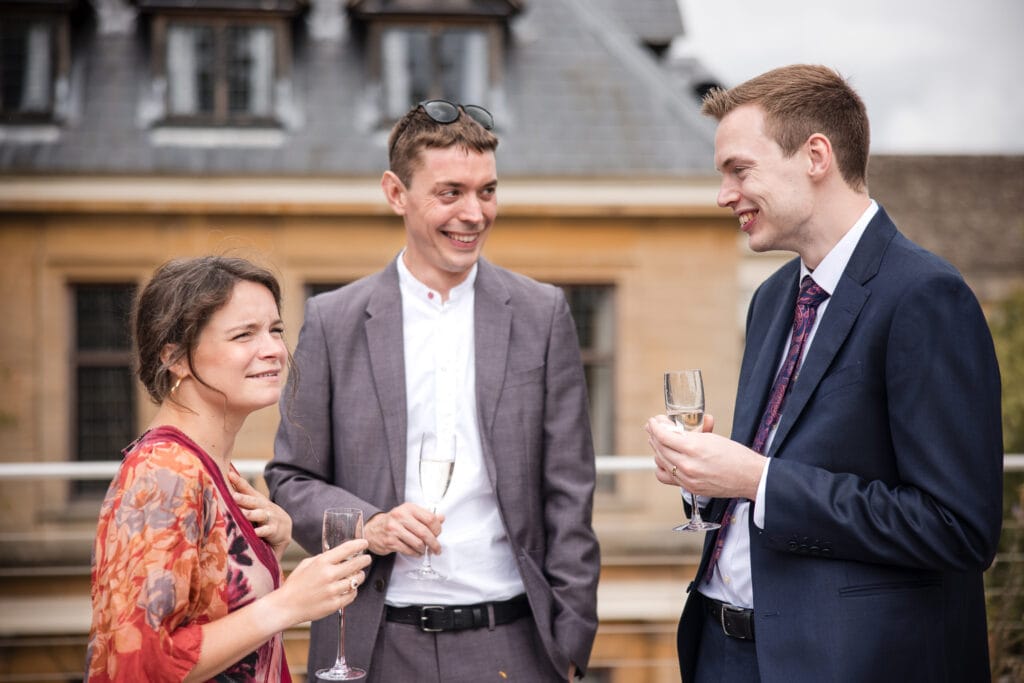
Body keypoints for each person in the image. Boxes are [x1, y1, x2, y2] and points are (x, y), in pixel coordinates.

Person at [646, 64, 1003, 682]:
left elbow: (958, 528)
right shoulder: (773, 298)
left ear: (816, 156)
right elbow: (783, 468)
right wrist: (711, 481)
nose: (724, 194)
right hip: (718, 650)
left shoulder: (925, 296)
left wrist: (760, 480)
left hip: (843, 663)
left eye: (739, 169)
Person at [265, 99, 600, 681]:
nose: (474, 213)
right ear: (396, 193)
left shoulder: (542, 313)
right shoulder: (331, 319)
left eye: (487, 191)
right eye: (450, 193)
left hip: (516, 643)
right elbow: (289, 479)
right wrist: (369, 525)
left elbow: (569, 488)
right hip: (373, 644)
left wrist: (570, 641)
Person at [86, 256, 372, 682]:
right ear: (176, 358)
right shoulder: (162, 474)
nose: (274, 349)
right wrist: (288, 603)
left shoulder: (215, 467)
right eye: (244, 335)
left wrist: (271, 549)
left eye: (276, 329)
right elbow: (140, 664)